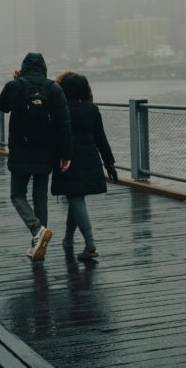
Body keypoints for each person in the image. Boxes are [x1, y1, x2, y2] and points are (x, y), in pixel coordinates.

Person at [0, 53, 72, 261]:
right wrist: (66, 154)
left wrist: (15, 81)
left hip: (21, 148)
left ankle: (37, 231)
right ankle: (39, 243)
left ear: (24, 67)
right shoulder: (54, 88)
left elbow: (2, 106)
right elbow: (64, 124)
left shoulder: (16, 85)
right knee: (40, 197)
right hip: (45, 150)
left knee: (17, 195)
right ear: (44, 67)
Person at [51, 71, 117, 261]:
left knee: (76, 197)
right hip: (90, 159)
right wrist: (109, 163)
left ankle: (90, 245)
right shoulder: (92, 109)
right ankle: (68, 240)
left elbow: (53, 137)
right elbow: (101, 139)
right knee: (76, 197)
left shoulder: (61, 109)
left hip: (68, 160)